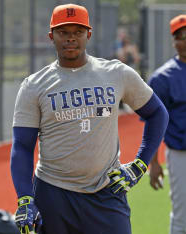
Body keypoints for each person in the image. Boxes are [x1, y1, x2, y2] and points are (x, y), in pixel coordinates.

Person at [10, 4, 169, 234]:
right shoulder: (34, 85)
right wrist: (25, 198)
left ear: (89, 35)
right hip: (54, 194)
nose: (71, 38)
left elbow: (157, 113)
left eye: (78, 32)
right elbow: (23, 146)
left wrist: (139, 165)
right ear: (51, 36)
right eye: (64, 32)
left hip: (107, 191)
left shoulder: (116, 73)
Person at [148, 14, 186, 234]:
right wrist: (153, 163)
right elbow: (154, 123)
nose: (185, 40)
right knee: (182, 216)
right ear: (174, 42)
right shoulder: (162, 77)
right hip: (181, 154)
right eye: (180, 36)